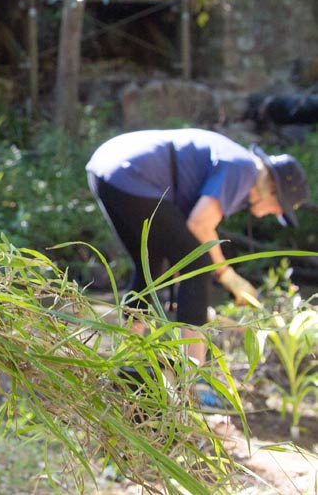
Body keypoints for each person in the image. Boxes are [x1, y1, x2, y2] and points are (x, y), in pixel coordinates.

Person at [86, 129, 308, 371]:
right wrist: (228, 276)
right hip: (131, 173)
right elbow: (199, 225)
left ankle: (126, 356)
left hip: (107, 169)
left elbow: (187, 233)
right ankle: (193, 371)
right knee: (199, 264)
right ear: (272, 189)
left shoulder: (240, 168)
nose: (276, 214)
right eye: (279, 207)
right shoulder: (244, 170)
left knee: (151, 266)